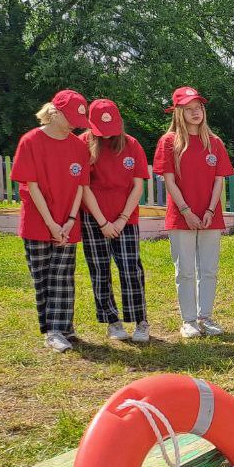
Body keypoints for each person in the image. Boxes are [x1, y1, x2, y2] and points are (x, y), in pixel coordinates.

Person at [10, 90, 92, 353]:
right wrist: (51, 224)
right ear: (54, 112)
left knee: (63, 276)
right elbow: (31, 186)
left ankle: (62, 327)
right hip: (38, 222)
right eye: (70, 118)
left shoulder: (79, 146)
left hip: (68, 223)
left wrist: (69, 220)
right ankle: (51, 329)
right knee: (43, 276)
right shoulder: (31, 141)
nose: (73, 125)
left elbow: (81, 185)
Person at [154, 86, 234, 338]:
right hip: (181, 216)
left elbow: (219, 180)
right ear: (179, 112)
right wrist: (187, 211)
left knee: (209, 268)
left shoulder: (215, 142)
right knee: (186, 270)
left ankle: (206, 316)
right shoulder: (169, 142)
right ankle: (188, 320)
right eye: (189, 109)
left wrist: (211, 209)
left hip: (210, 214)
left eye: (198, 107)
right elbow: (169, 181)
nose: (195, 112)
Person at [79, 99, 150, 343]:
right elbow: (84, 187)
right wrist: (102, 222)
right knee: (100, 270)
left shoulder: (132, 145)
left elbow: (138, 185)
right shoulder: (83, 144)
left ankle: (140, 320)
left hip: (126, 218)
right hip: (93, 217)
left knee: (131, 269)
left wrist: (121, 219)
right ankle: (112, 321)